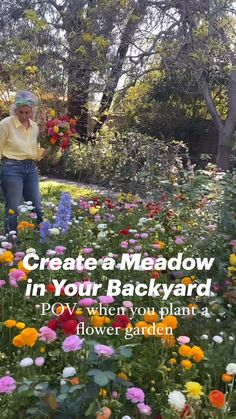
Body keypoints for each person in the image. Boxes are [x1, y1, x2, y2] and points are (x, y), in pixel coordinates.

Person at [0, 90, 47, 233]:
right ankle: (10, 240)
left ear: (32, 110)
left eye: (27, 112)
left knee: (37, 204)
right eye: (21, 112)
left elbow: (32, 150)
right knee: (14, 206)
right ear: (15, 110)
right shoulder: (5, 125)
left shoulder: (34, 127)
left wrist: (41, 153)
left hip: (31, 168)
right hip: (11, 168)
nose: (24, 116)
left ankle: (43, 237)